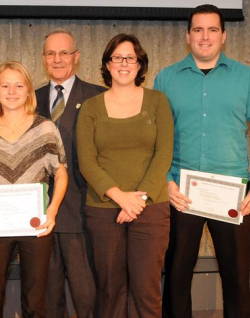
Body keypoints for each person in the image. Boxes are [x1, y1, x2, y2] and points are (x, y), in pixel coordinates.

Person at [154, 4, 250, 318]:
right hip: (182, 194)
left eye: (212, 30)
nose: (204, 37)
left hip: (233, 193)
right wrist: (166, 181)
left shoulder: (246, 77)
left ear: (223, 36)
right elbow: (156, 139)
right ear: (188, 35)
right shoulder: (166, 79)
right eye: (198, 30)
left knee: (237, 283)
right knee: (176, 281)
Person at [77, 33, 174, 317]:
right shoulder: (91, 108)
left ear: (140, 64)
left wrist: (138, 200)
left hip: (151, 208)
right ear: (107, 65)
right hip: (104, 209)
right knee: (110, 292)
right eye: (116, 57)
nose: (123, 63)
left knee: (147, 291)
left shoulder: (158, 102)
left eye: (130, 58)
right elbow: (87, 162)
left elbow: (163, 154)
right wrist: (120, 198)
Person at [0, 61, 68, 318]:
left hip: (36, 226)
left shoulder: (45, 128)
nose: (12, 91)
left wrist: (52, 212)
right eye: (5, 85)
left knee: (35, 300)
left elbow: (61, 172)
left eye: (19, 85)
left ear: (29, 90)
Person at [36, 29, 103, 318]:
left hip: (82, 210)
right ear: (43, 59)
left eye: (64, 52)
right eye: (51, 53)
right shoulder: (28, 99)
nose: (58, 59)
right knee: (48, 298)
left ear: (76, 57)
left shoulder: (99, 96)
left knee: (87, 294)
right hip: (37, 213)